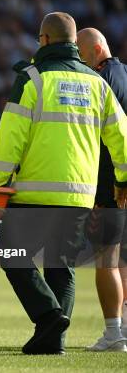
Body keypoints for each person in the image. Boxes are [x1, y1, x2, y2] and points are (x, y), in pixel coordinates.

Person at [0, 13, 127, 355]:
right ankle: (54, 341)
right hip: (79, 194)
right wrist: (123, 179)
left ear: (46, 40)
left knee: (11, 254)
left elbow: (11, 137)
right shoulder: (98, 84)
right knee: (60, 268)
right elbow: (121, 137)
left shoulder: (32, 79)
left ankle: (49, 317)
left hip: (34, 192)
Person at [77, 27, 127, 352]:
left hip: (111, 184)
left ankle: (113, 334)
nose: (78, 62)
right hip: (124, 179)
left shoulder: (99, 82)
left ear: (96, 49)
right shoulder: (125, 74)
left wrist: (100, 192)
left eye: (80, 54)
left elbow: (100, 139)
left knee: (106, 259)